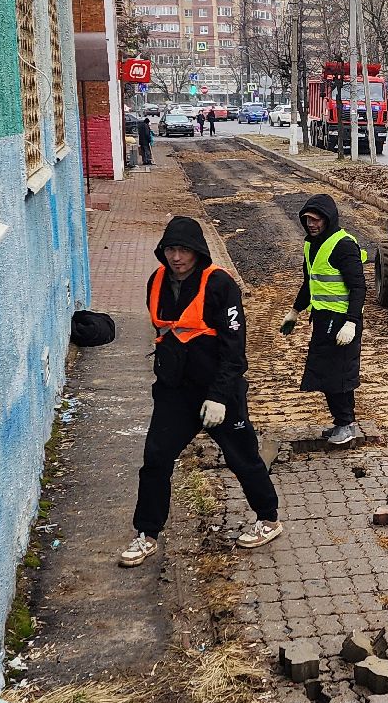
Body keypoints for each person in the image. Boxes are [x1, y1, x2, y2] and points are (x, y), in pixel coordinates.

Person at [121, 215, 281, 566]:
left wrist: (221, 396)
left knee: (242, 456)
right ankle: (147, 533)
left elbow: (234, 348)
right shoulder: (157, 281)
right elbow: (163, 334)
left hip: (219, 392)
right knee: (156, 459)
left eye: (183, 250)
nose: (176, 257)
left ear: (198, 252)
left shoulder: (219, 285)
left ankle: (268, 518)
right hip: (175, 391)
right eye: (170, 250)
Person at [279, 194, 366, 445]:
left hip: (342, 321)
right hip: (323, 318)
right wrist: (295, 311)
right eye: (307, 220)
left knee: (338, 374)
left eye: (316, 220)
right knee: (328, 372)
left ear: (328, 219)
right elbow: (310, 283)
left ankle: (345, 425)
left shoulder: (344, 246)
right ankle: (342, 423)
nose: (311, 224)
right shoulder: (310, 245)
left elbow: (359, 288)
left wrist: (351, 322)